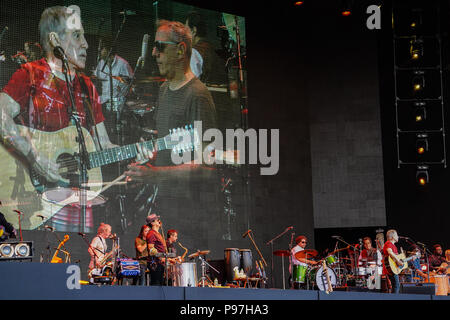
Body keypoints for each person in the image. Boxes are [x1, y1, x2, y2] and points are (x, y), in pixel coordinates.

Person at [0, 5, 119, 231]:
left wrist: (136, 153)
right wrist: (35, 158)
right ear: (55, 39)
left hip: (76, 201)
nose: (86, 43)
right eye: (77, 35)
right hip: (29, 194)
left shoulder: (88, 86)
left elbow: (104, 145)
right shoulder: (30, 74)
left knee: (77, 257)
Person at [125, 20, 220, 242]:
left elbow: (206, 167)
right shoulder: (164, 90)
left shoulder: (198, 96)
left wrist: (155, 175)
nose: (153, 52)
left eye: (160, 46)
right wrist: (148, 164)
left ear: (180, 50)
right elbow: (168, 145)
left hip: (190, 216)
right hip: (167, 208)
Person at [94, 40, 133, 142]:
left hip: (119, 102)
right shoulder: (101, 63)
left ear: (108, 50)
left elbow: (130, 84)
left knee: (115, 125)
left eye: (101, 48)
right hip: (104, 100)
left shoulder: (123, 64)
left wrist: (123, 93)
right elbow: (96, 79)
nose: (99, 51)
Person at [146, 213, 167, 286]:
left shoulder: (158, 233)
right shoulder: (151, 233)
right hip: (155, 263)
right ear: (152, 223)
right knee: (156, 283)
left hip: (160, 262)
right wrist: (160, 257)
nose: (159, 221)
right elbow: (151, 249)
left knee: (160, 283)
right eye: (157, 220)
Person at [382, 229, 403, 294]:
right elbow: (390, 252)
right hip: (390, 269)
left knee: (396, 286)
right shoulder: (388, 243)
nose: (398, 237)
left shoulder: (394, 246)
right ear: (393, 237)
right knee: (396, 286)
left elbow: (395, 258)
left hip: (393, 268)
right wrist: (398, 261)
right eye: (397, 235)